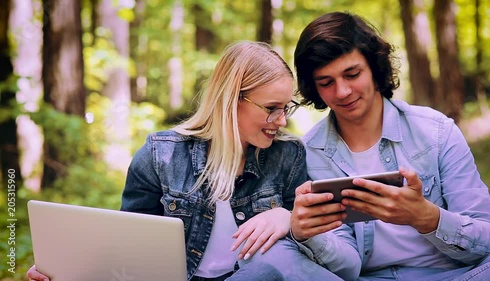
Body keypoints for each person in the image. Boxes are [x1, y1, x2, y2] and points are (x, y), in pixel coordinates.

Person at [27, 41, 354, 281]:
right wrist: (67, 271)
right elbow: (127, 252)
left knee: (275, 263)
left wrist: (286, 218)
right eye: (271, 107)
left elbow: (305, 256)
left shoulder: (288, 156)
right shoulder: (161, 156)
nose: (281, 120)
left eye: (287, 107)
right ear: (231, 99)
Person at [289, 11, 490, 281]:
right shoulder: (308, 153)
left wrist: (426, 217)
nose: (342, 92)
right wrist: (307, 235)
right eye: (326, 83)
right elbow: (346, 268)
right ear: (314, 89)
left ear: (375, 69)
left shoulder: (436, 131)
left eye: (352, 74)